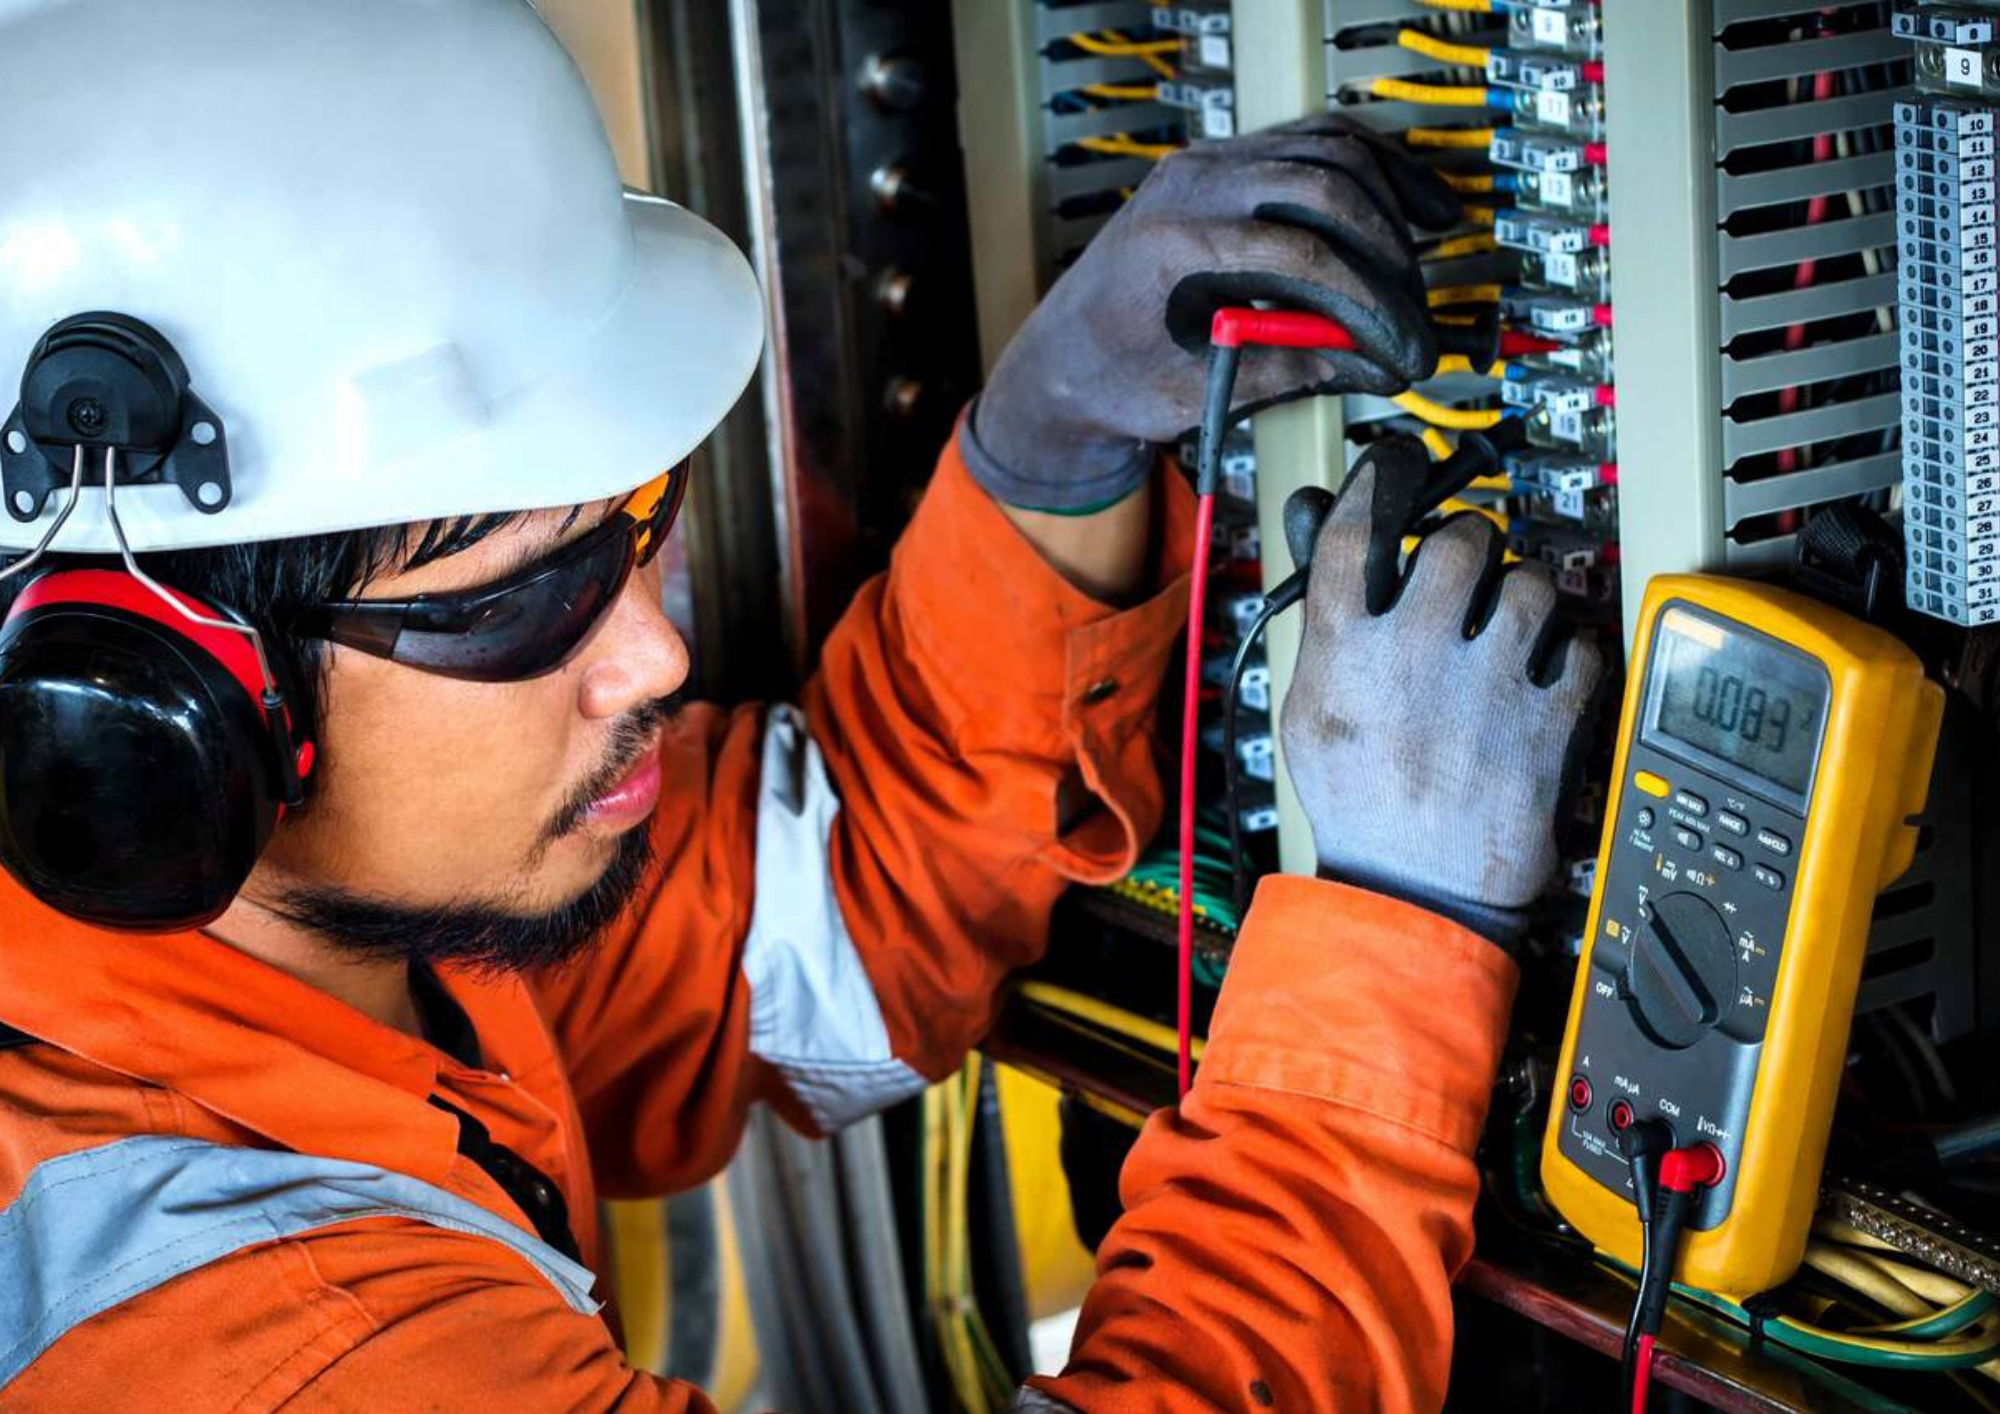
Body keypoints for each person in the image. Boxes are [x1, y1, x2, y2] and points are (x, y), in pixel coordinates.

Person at [0, 2, 1600, 1409]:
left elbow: (800, 914)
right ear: (154, 700)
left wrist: (1048, 463)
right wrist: (1394, 957)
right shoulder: (261, 1346)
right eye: (514, 602)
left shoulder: (302, 942)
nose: (652, 654)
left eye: (639, 527)